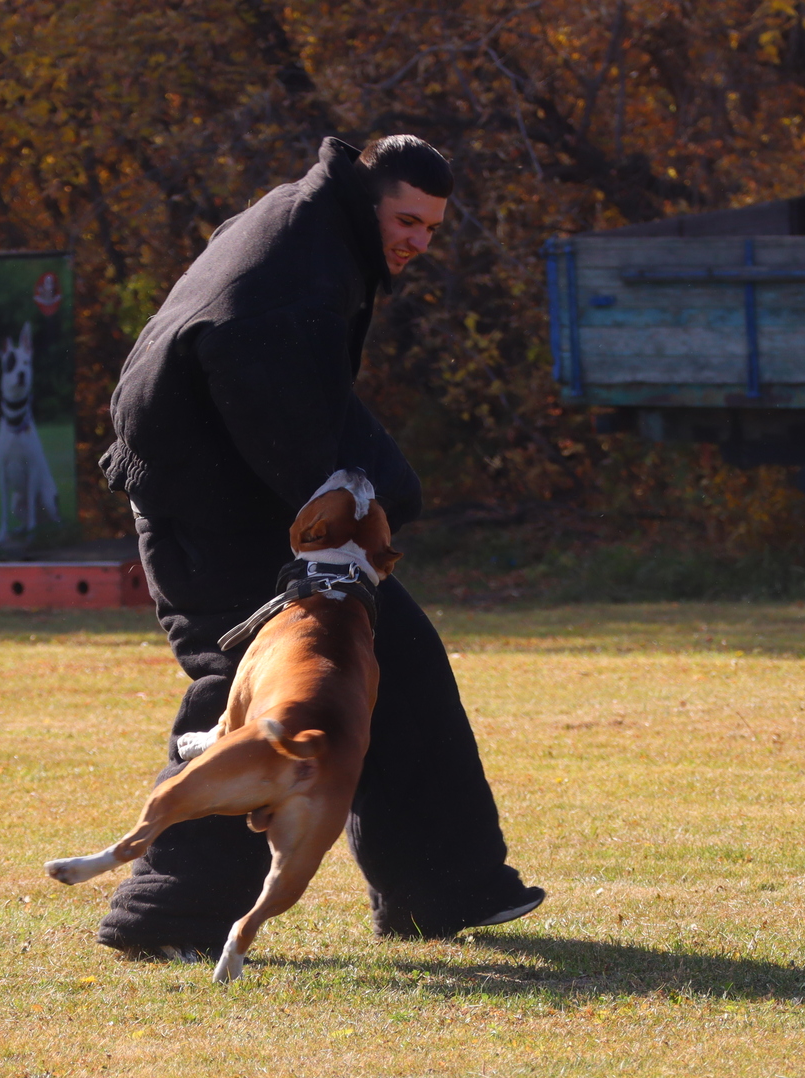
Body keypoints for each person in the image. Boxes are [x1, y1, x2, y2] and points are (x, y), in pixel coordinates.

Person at [95, 133, 544, 957]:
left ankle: (443, 887)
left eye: (432, 229)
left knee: (394, 654)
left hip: (238, 493)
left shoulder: (314, 230)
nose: (416, 241)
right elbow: (260, 381)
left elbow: (307, 398)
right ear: (367, 195)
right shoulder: (300, 272)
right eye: (406, 219)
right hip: (207, 513)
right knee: (254, 683)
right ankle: (170, 914)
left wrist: (383, 489)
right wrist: (335, 503)